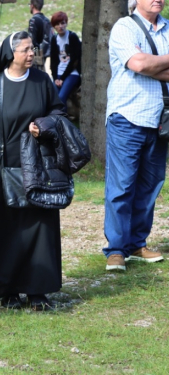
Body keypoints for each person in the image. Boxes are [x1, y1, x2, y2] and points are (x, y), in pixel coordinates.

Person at [0, 32, 66, 311]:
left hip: (36, 164)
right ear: (11, 54)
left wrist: (42, 126)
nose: (31, 54)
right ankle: (5, 289)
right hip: (1, 166)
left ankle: (37, 289)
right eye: (25, 50)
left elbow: (58, 112)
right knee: (4, 230)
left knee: (38, 228)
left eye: (33, 49)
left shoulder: (42, 81)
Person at [103, 0, 167, 271]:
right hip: (127, 117)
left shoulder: (167, 29)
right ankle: (116, 249)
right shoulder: (124, 27)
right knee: (122, 187)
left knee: (150, 187)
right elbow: (139, 64)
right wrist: (150, 65)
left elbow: (148, 65)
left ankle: (137, 244)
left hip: (159, 120)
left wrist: (154, 64)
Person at [50, 11, 81, 111]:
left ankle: (63, 122)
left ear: (66, 23)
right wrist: (55, 78)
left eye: (62, 23)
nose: (60, 26)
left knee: (61, 96)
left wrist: (62, 78)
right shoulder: (54, 39)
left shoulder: (72, 37)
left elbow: (74, 60)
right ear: (54, 26)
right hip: (58, 73)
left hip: (72, 73)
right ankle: (59, 119)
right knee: (54, 98)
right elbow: (53, 61)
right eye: (57, 24)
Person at [28, 0, 52, 71]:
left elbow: (32, 40)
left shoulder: (33, 20)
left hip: (38, 54)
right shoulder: (47, 20)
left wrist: (33, 51)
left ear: (32, 5)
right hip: (47, 52)